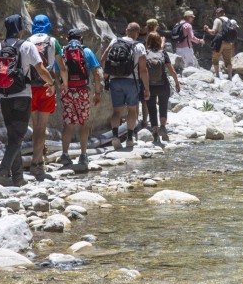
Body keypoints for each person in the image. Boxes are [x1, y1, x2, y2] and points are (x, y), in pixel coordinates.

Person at [0, 14, 56, 187]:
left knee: (13, 137)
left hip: (4, 96)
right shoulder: (27, 46)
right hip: (23, 94)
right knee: (18, 138)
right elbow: (41, 69)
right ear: (20, 31)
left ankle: (18, 178)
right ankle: (2, 171)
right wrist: (51, 83)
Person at [26, 15, 69, 181]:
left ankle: (37, 159)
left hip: (29, 87)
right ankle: (36, 164)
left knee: (34, 125)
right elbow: (62, 66)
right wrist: (64, 84)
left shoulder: (27, 41)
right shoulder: (53, 41)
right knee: (41, 127)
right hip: (47, 86)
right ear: (48, 25)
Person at [101, 22, 151, 150]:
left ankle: (115, 137)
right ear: (138, 33)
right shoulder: (139, 46)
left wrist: (105, 75)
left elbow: (103, 59)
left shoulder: (114, 41)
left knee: (116, 111)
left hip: (115, 81)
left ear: (126, 30)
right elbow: (143, 70)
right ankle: (129, 138)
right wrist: (146, 88)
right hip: (131, 81)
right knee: (132, 110)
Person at [59, 28, 102, 172]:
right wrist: (97, 92)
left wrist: (60, 86)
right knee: (83, 123)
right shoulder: (87, 51)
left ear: (67, 38)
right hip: (83, 90)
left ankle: (65, 154)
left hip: (67, 91)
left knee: (68, 123)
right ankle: (83, 155)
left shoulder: (63, 52)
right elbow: (96, 73)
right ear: (81, 38)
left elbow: (57, 70)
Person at [144, 31, 181, 144]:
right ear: (159, 41)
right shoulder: (163, 53)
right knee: (163, 106)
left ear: (148, 41)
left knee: (152, 109)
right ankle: (163, 127)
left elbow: (142, 71)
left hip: (149, 85)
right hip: (163, 84)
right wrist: (177, 83)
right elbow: (172, 70)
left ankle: (155, 134)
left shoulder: (145, 53)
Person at [204, 7, 236, 79]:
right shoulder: (229, 20)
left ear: (217, 14)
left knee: (215, 58)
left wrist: (207, 29)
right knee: (228, 60)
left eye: (216, 14)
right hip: (229, 42)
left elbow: (213, 32)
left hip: (220, 42)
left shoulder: (217, 20)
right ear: (224, 13)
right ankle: (230, 76)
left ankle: (217, 75)